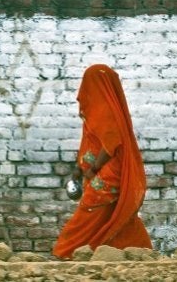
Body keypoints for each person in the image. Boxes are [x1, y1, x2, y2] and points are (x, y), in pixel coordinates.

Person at [52, 64, 152, 259]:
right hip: (103, 170)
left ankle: (66, 251)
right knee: (112, 212)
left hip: (109, 172)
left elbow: (111, 143)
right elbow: (93, 144)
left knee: (89, 208)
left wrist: (92, 170)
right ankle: (138, 250)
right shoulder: (99, 107)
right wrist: (80, 169)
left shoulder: (105, 109)